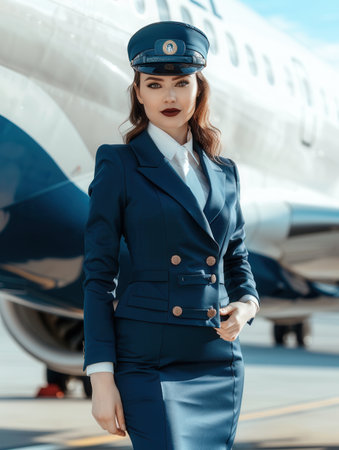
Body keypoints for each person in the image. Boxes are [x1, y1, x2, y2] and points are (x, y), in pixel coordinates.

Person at [82, 20, 261, 450]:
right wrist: (101, 378)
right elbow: (98, 277)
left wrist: (247, 306)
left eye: (181, 82)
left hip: (216, 359)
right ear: (138, 92)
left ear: (198, 90)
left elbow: (236, 257)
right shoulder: (119, 165)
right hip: (148, 357)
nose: (169, 96)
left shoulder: (224, 172)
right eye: (155, 83)